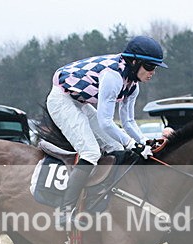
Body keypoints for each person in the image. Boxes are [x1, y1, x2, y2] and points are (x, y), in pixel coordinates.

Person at [46, 35, 166, 226]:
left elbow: (128, 122)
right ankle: (64, 212)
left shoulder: (132, 86)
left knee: (117, 147)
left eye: (155, 68)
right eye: (150, 67)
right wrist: (132, 144)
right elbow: (105, 122)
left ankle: (101, 199)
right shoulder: (113, 77)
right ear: (134, 62)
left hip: (80, 102)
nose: (153, 73)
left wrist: (144, 142)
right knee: (91, 152)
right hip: (62, 99)